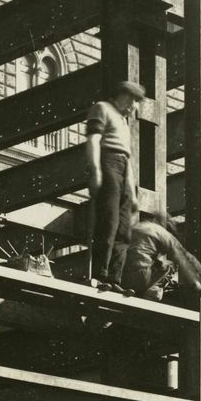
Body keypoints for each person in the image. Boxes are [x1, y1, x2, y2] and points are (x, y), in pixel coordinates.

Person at [83, 80, 147, 290]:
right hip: (107, 162)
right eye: (130, 100)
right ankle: (100, 274)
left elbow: (127, 158)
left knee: (124, 229)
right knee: (108, 222)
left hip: (122, 168)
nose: (132, 107)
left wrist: (133, 193)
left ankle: (114, 279)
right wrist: (95, 170)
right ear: (120, 95)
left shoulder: (123, 121)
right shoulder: (101, 108)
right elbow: (93, 140)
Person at [116, 208, 201, 302]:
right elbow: (183, 259)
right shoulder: (161, 232)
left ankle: (146, 290)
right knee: (170, 266)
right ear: (166, 224)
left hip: (122, 278)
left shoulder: (137, 227)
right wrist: (196, 283)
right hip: (140, 277)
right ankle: (151, 292)